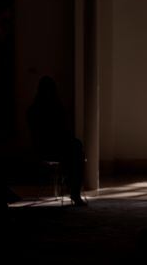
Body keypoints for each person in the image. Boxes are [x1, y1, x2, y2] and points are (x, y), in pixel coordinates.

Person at [27, 76, 86, 206]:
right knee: (75, 151)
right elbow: (43, 135)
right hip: (48, 148)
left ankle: (73, 189)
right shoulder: (40, 110)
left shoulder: (41, 109)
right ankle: (74, 191)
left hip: (56, 146)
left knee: (75, 149)